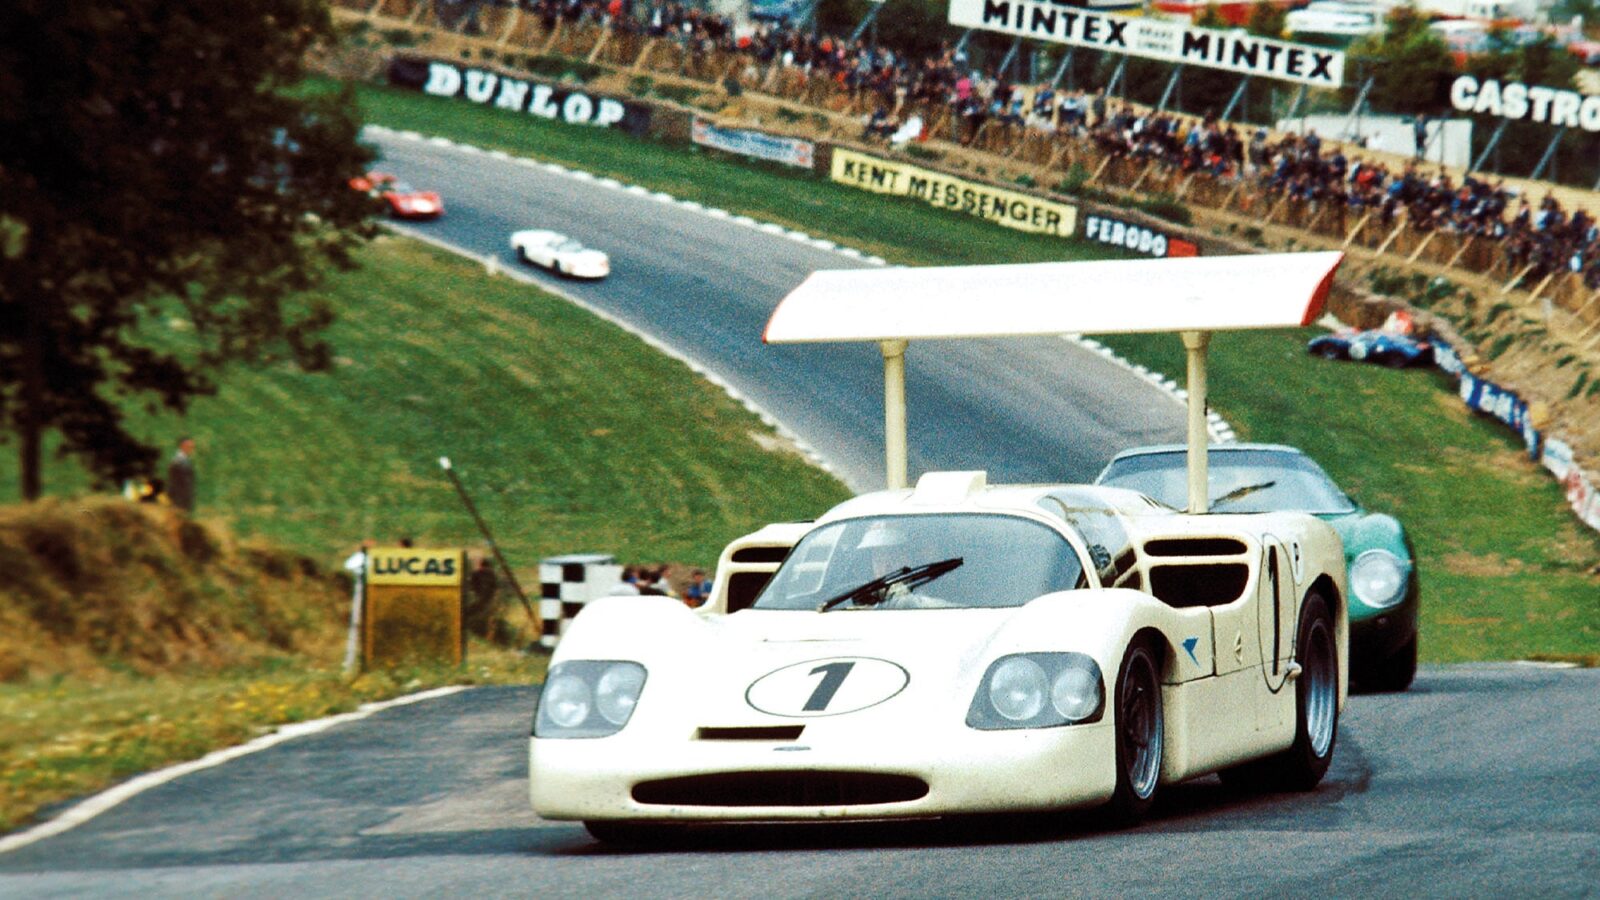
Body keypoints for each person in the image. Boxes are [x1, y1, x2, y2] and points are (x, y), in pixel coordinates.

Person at [466, 557, 501, 641]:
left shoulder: (477, 573)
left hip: (481, 600)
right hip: (486, 600)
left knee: (470, 613)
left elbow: (471, 585)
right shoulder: (491, 574)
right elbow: (496, 588)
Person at [166, 437, 197, 513]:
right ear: (182, 446)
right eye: (189, 447)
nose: (191, 449)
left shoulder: (184, 460)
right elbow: (176, 483)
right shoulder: (178, 461)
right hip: (179, 499)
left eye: (192, 447)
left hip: (183, 499)